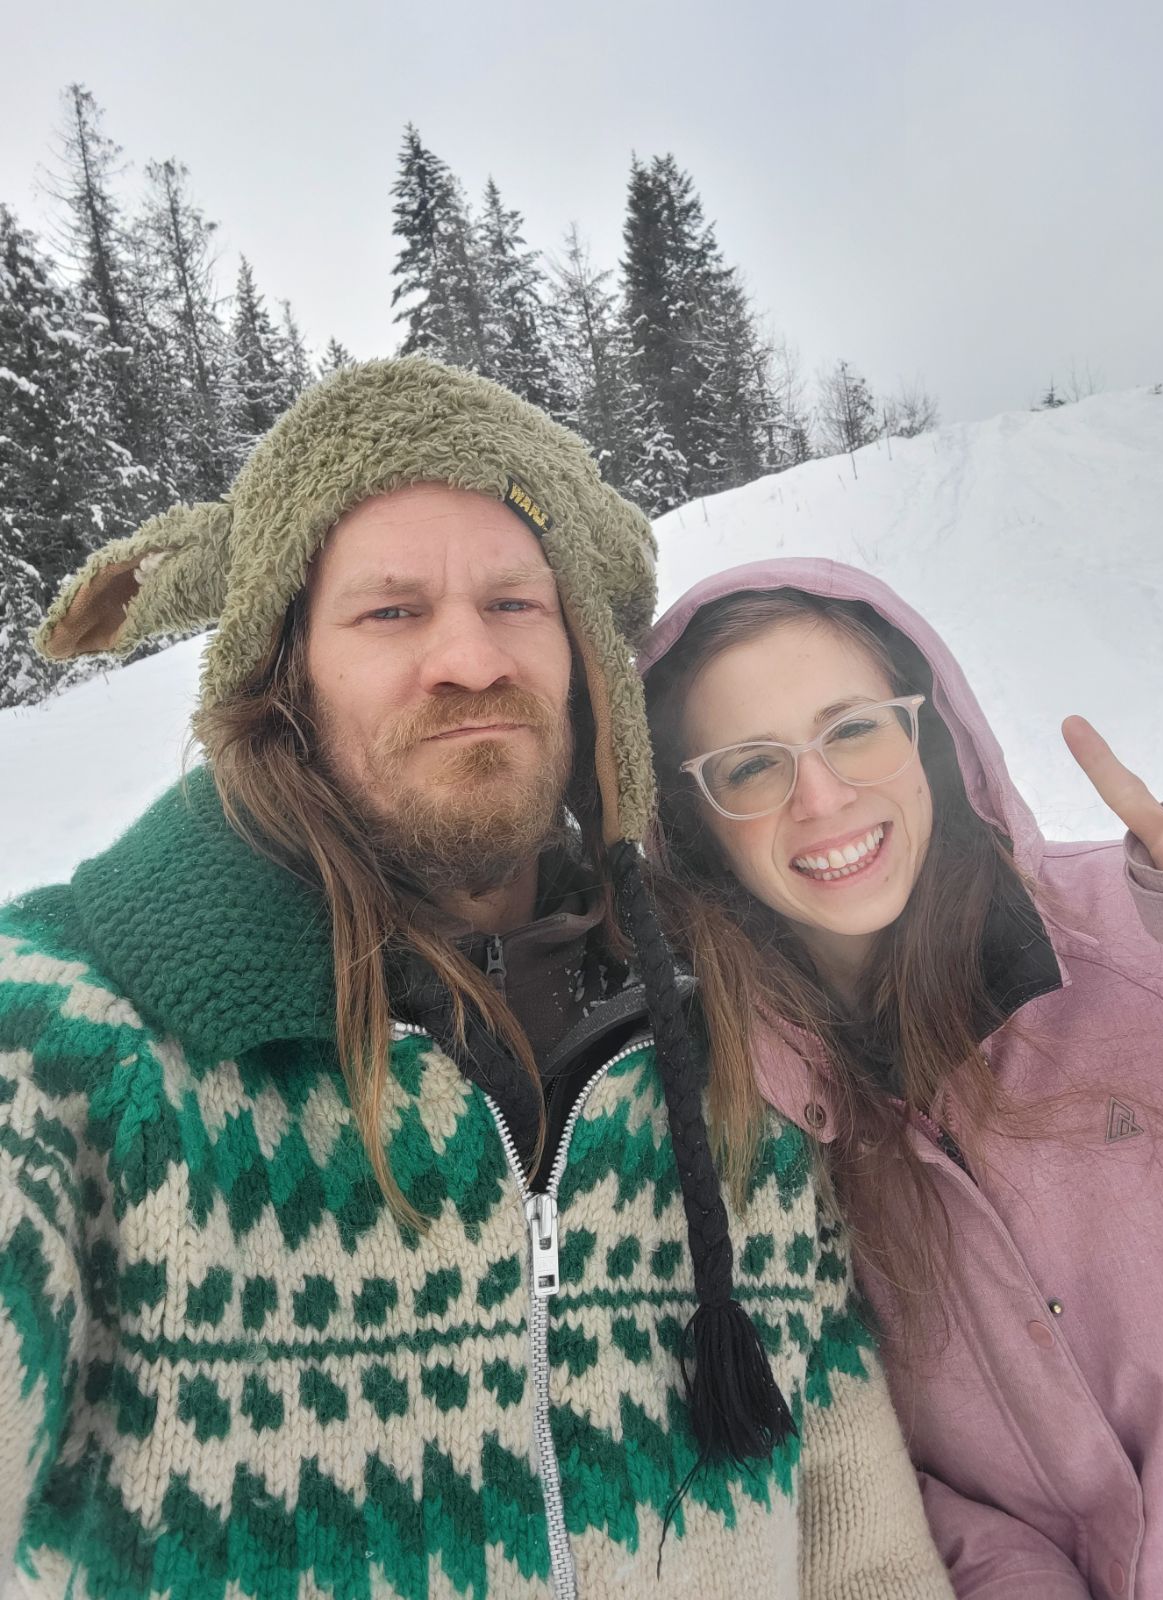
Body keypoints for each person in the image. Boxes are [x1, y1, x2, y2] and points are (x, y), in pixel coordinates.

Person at [0, 365, 952, 1600]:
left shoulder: (731, 1040)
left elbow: (862, 1550)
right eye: (391, 613)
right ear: (279, 672)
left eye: (516, 601)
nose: (469, 657)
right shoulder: (67, 1034)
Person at [639, 556, 1163, 1600]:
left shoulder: (1149, 931)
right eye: (751, 767)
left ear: (928, 731)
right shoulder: (738, 1120)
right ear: (693, 824)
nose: (823, 796)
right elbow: (870, 1462)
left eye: (855, 728)